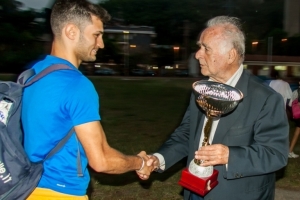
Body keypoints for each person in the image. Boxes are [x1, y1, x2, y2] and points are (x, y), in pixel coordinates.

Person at [138, 16, 289, 200]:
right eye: (199, 47)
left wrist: (230, 156)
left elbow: (275, 154)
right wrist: (159, 159)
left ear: (231, 56)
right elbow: (187, 135)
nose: (197, 54)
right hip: (194, 190)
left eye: (206, 48)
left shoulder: (265, 98)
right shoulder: (201, 91)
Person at [22, 0, 152, 199]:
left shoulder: (32, 74)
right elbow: (101, 160)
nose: (101, 44)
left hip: (28, 187)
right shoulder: (77, 85)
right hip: (62, 193)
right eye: (96, 35)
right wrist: (140, 162)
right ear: (71, 32)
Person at [288, 83, 300, 158]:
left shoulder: (297, 90)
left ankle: (290, 150)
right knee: (297, 131)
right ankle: (290, 151)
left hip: (297, 115)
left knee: (297, 131)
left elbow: (290, 104)